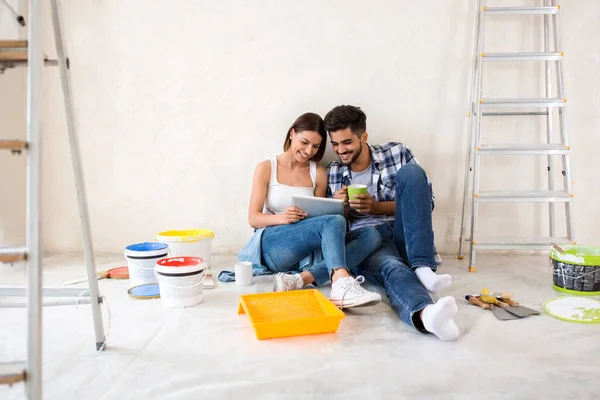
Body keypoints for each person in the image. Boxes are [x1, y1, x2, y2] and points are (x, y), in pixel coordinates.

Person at [323, 105, 459, 341]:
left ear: (363, 137)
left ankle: (423, 267)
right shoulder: (333, 172)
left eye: (346, 142)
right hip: (369, 240)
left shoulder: (397, 153)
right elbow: (331, 228)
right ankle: (426, 315)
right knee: (394, 269)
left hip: (405, 232)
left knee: (413, 173)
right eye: (335, 144)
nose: (340, 150)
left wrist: (376, 207)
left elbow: (427, 203)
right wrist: (340, 208)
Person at [236, 112, 382, 308]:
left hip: (307, 250)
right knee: (333, 222)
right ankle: (340, 283)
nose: (308, 151)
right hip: (274, 244)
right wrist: (283, 218)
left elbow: (323, 220)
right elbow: (253, 219)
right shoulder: (266, 168)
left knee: (371, 235)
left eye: (315, 146)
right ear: (292, 134)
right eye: (304, 142)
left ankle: (299, 280)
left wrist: (340, 204)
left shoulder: (319, 172)